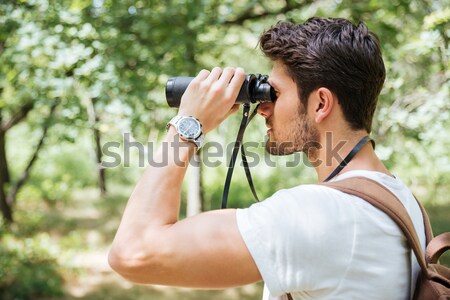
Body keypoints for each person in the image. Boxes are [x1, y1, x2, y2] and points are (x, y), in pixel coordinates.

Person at [108, 17, 426, 300]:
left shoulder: (321, 215)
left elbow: (133, 252)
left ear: (321, 104)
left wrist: (188, 124)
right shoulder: (402, 200)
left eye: (274, 93)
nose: (262, 108)